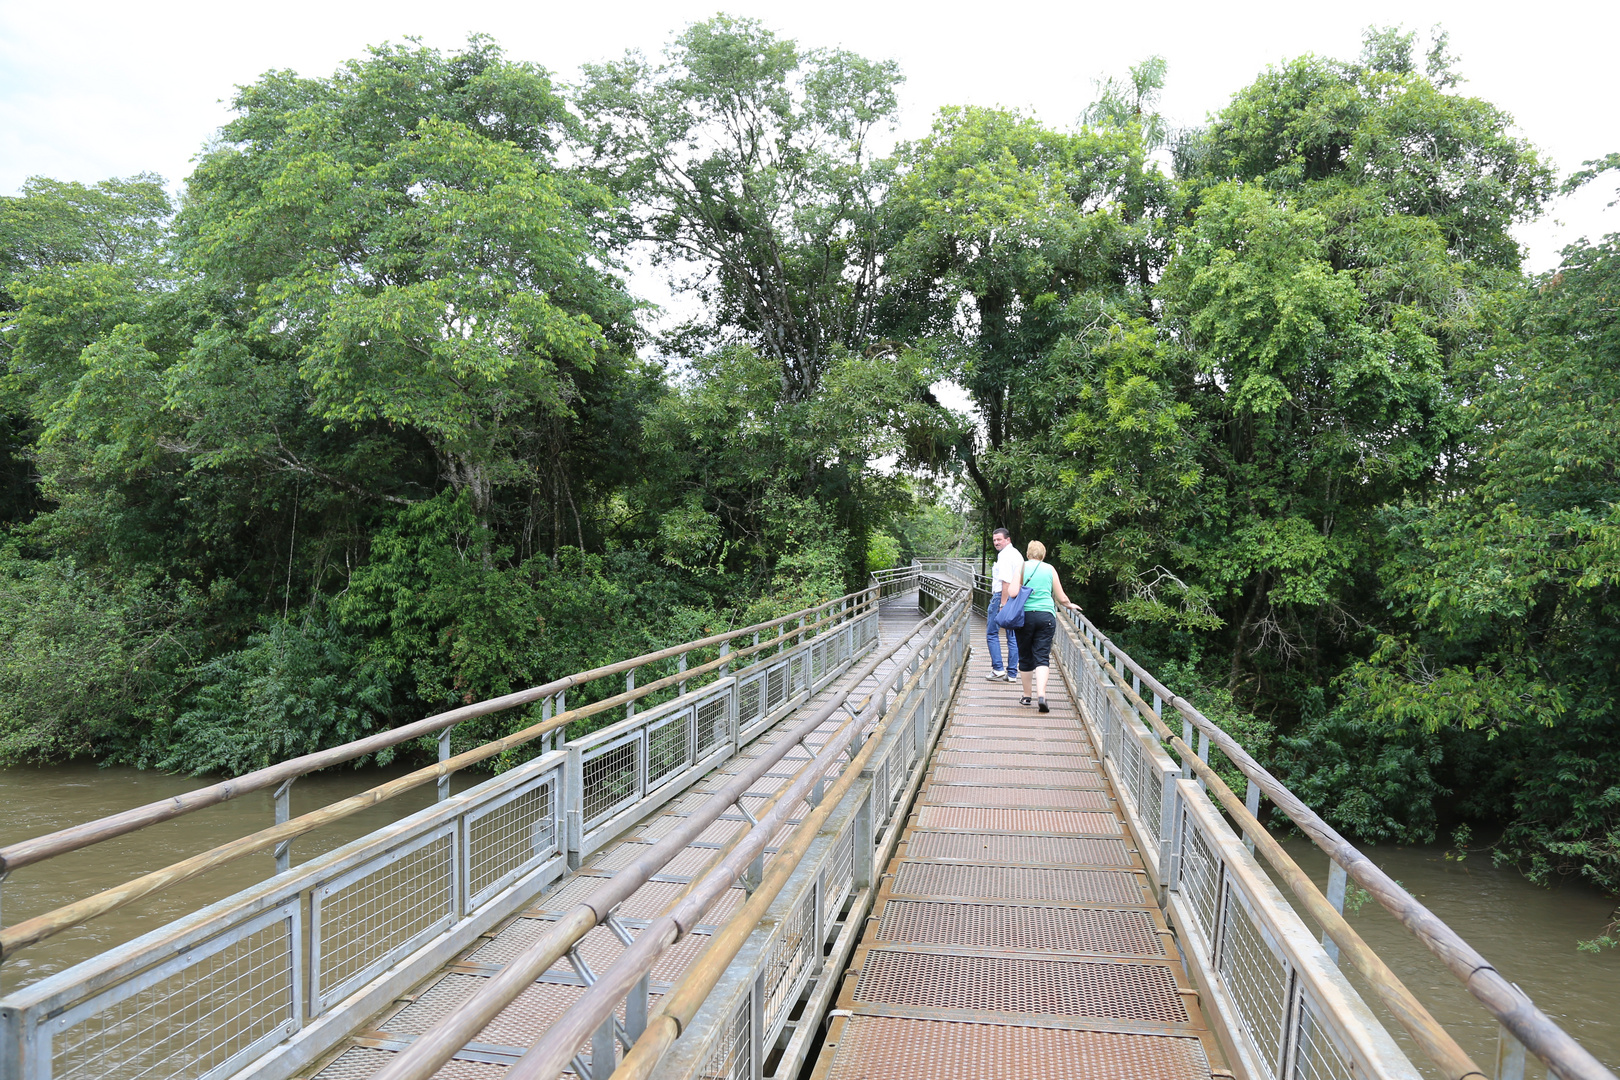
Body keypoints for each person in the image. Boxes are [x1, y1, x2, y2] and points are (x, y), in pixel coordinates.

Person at [1006, 539, 1081, 712]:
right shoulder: (1050, 569)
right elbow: (1061, 598)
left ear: (1028, 553)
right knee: (1042, 656)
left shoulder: (1022, 567)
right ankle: (1042, 695)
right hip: (1046, 616)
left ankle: (1026, 696)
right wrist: (1070, 605)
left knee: (1025, 656)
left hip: (1024, 617)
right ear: (1043, 554)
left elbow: (1013, 592)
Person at [984, 527, 1022, 681]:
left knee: (992, 633)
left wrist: (1002, 604)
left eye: (999, 539)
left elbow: (1005, 582)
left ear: (1008, 540)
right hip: (1017, 597)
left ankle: (998, 669)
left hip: (1002, 596)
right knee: (1012, 636)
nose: (996, 542)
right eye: (994, 540)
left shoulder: (1005, 556)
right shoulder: (1016, 554)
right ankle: (1012, 673)